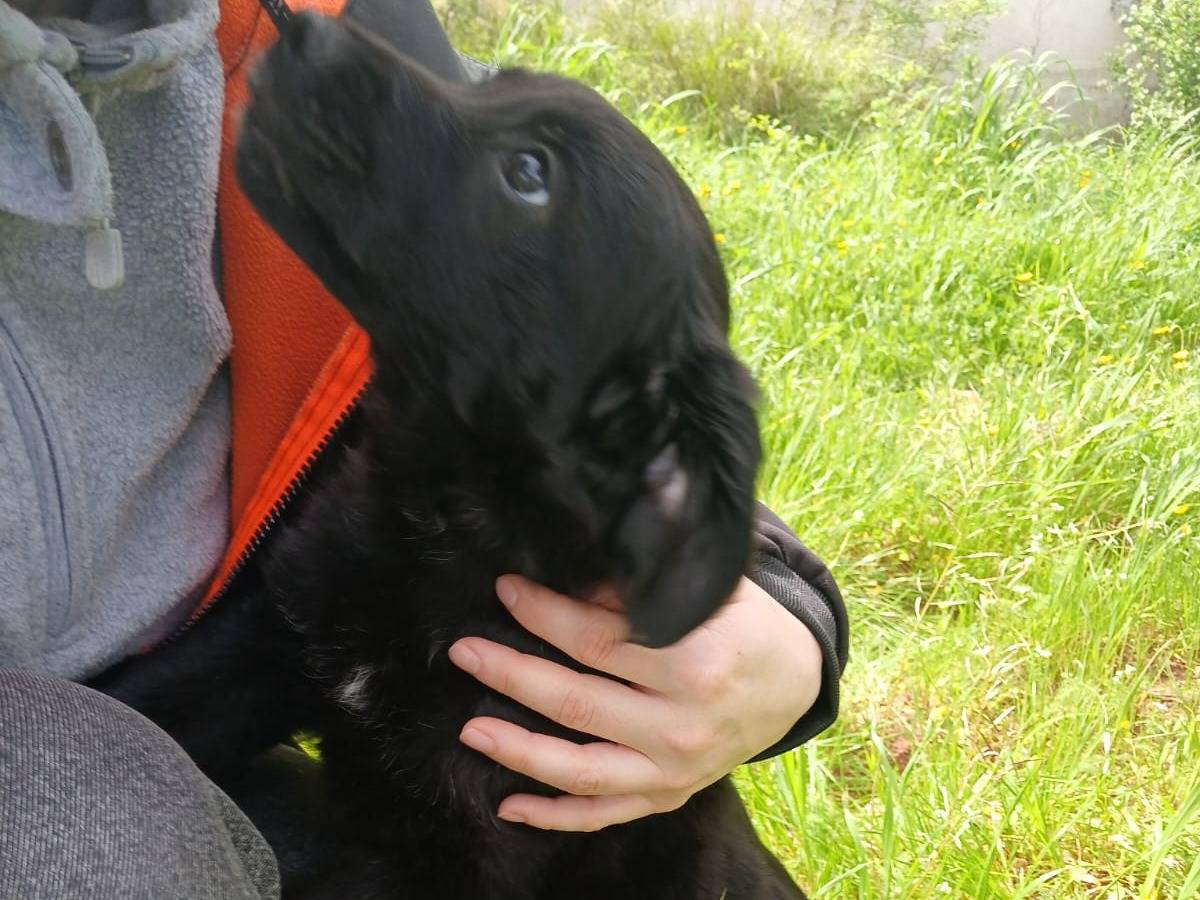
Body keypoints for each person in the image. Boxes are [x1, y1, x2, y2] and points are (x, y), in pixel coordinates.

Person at [0, 0, 848, 896]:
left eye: (527, 170)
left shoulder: (564, 596)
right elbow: (241, 677)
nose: (326, 49)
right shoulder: (376, 504)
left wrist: (792, 619)